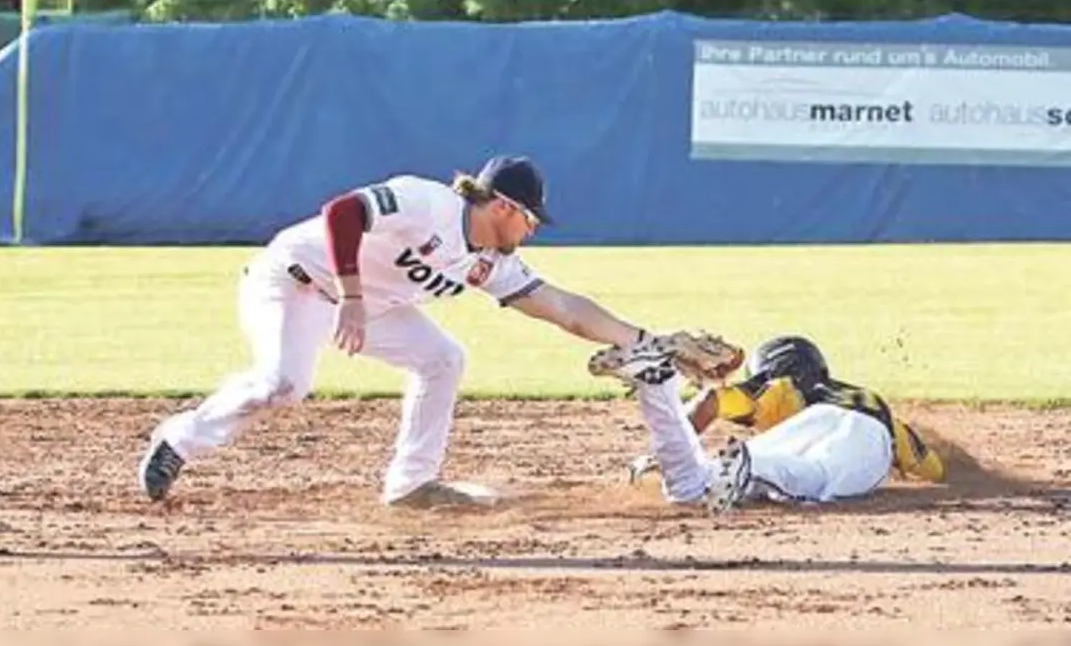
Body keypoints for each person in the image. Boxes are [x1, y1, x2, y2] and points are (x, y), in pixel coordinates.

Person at [137, 155, 732, 509]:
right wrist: (352, 296)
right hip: (294, 281)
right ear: (503, 206)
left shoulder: (491, 263)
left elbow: (563, 308)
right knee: (282, 385)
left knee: (443, 358)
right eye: (530, 219)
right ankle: (178, 440)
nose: (532, 230)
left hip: (368, 305)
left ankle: (411, 485)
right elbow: (343, 212)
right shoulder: (429, 203)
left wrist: (640, 340)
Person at [591, 334, 946, 514]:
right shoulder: (872, 401)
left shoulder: (782, 387)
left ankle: (742, 466)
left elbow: (711, 400)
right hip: (871, 435)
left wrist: (669, 447)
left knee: (811, 476)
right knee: (815, 475)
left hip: (825, 429)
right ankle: (744, 468)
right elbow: (930, 468)